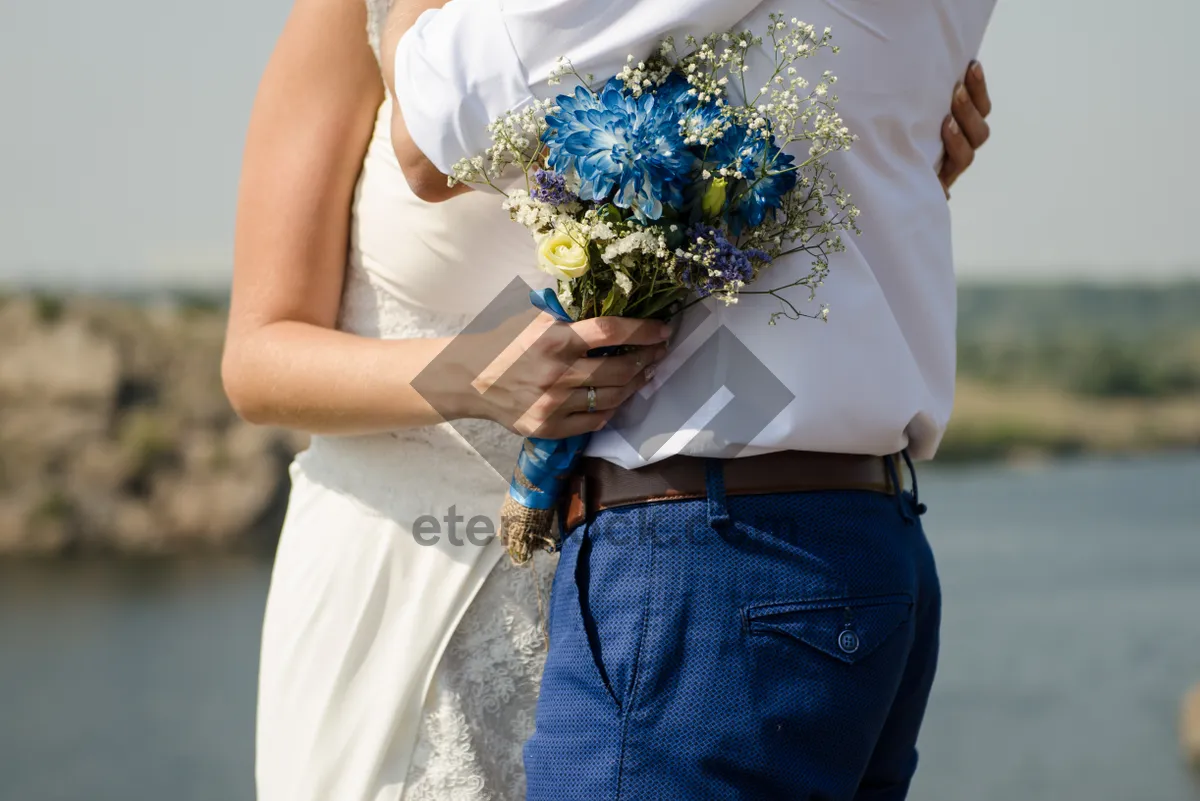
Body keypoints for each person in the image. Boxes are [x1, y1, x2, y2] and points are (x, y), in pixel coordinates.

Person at [223, 0, 991, 798]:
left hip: (625, 578)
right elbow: (257, 358)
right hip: (406, 580)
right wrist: (471, 376)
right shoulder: (360, 15)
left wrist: (886, 149)